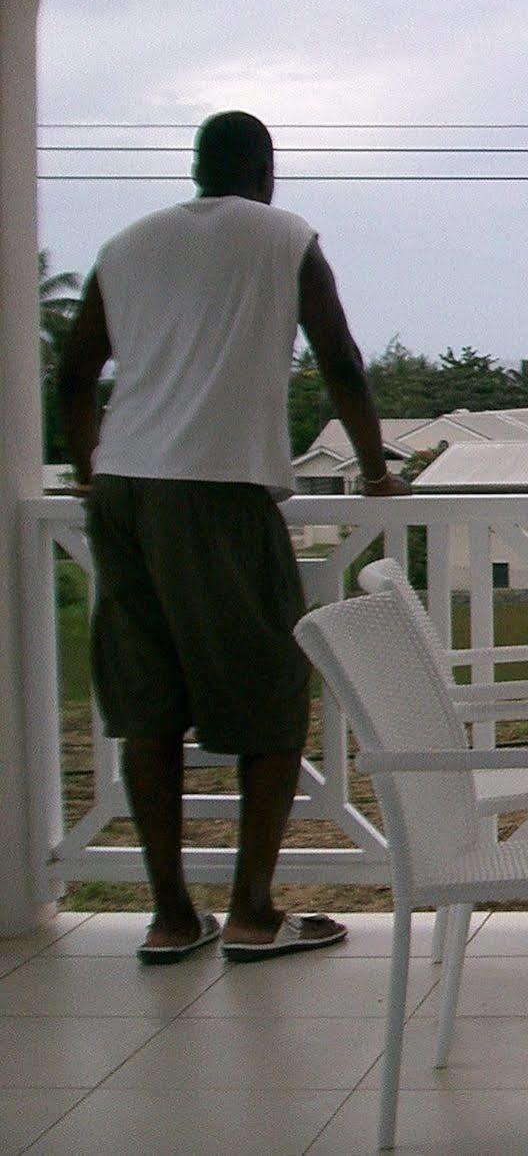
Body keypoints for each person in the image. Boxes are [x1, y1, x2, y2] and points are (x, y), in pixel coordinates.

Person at [56, 109, 410, 964]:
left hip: (125, 492)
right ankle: (252, 909)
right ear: (266, 169)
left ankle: (172, 916)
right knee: (272, 699)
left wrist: (88, 468)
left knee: (149, 705)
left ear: (195, 168)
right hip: (217, 492)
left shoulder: (127, 244)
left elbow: (71, 375)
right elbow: (340, 362)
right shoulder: (286, 237)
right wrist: (373, 471)